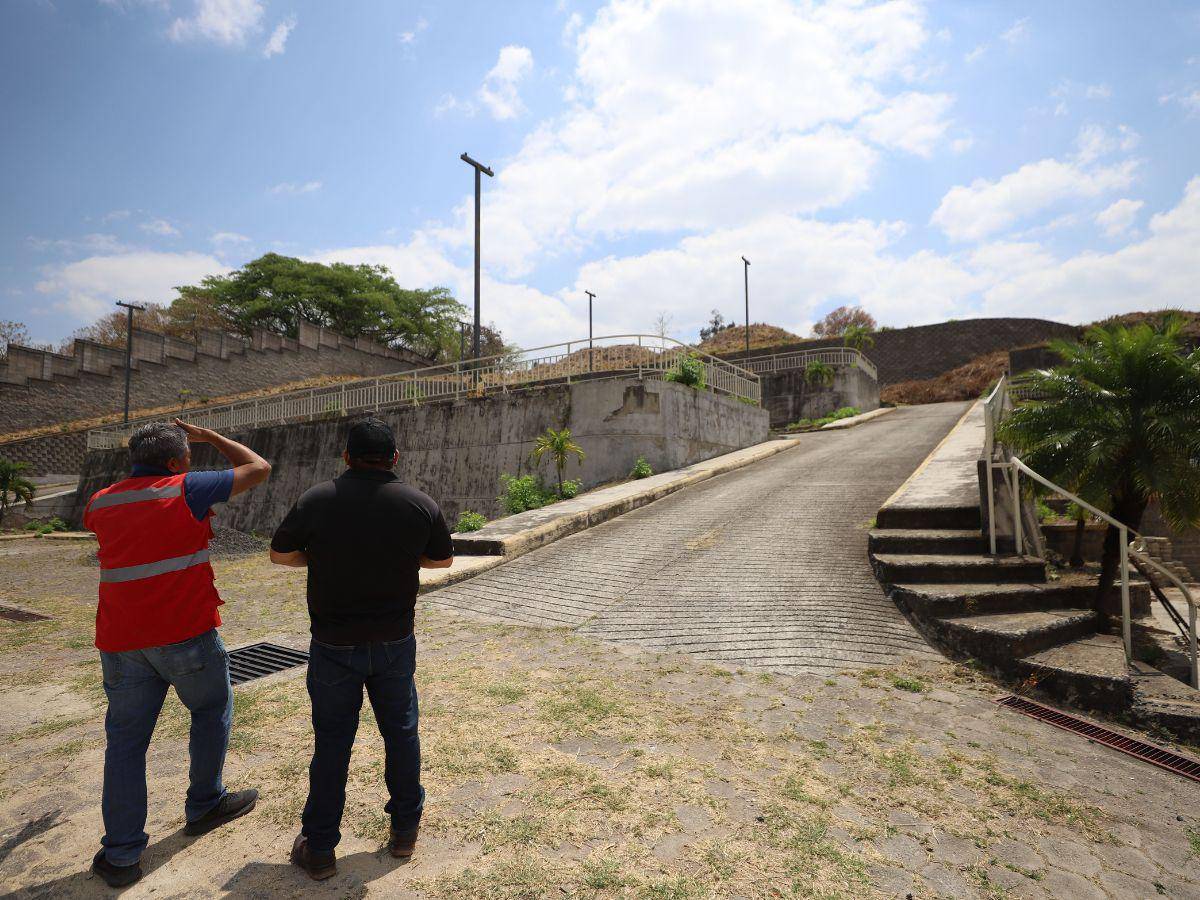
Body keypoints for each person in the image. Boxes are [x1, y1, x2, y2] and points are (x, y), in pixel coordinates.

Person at [84, 419, 272, 888]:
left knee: (126, 743)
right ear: (174, 463)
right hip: (186, 634)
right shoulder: (186, 488)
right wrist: (212, 438)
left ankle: (122, 853)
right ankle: (205, 802)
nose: (192, 461)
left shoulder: (100, 502)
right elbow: (258, 467)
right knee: (211, 709)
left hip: (122, 642)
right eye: (188, 454)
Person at [269, 416, 453, 881]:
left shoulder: (317, 499)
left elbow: (279, 553)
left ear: (346, 456)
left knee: (332, 744)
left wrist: (320, 558)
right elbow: (441, 559)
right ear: (394, 458)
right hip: (394, 642)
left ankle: (321, 848)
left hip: (333, 645)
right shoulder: (418, 503)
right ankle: (405, 833)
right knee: (402, 735)